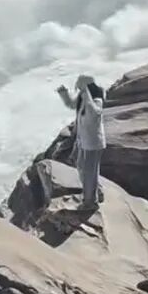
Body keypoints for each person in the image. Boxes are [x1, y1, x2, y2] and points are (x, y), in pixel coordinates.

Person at [57, 75, 106, 209]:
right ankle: (97, 191)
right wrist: (64, 93)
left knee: (89, 172)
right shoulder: (83, 97)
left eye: (80, 87)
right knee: (81, 166)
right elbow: (72, 104)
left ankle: (90, 202)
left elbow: (95, 113)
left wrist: (87, 96)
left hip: (93, 142)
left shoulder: (96, 98)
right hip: (83, 141)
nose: (79, 89)